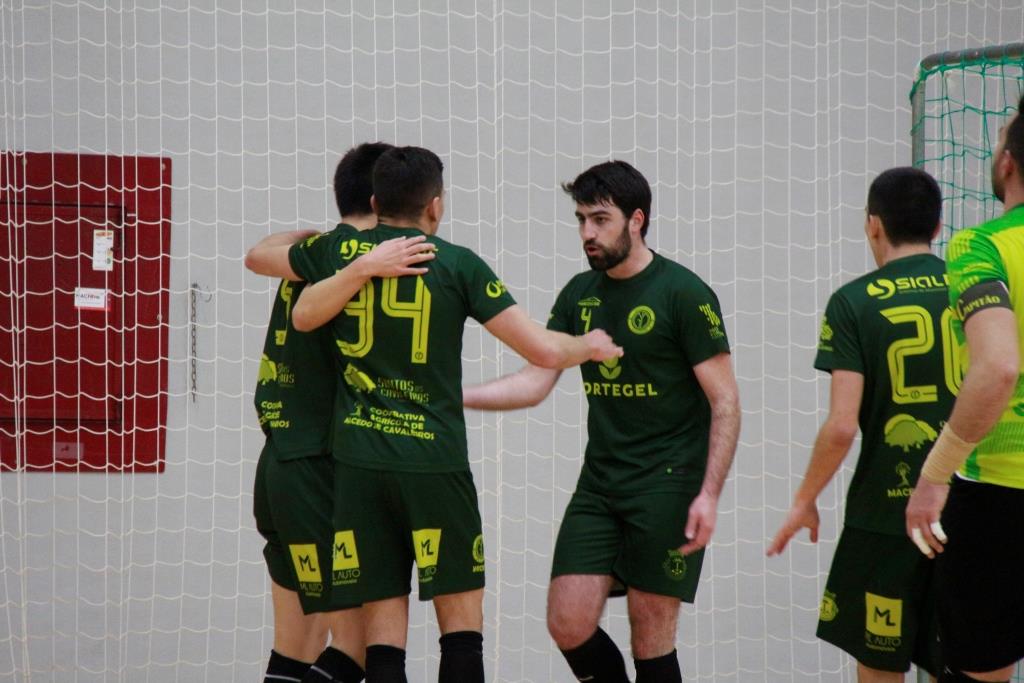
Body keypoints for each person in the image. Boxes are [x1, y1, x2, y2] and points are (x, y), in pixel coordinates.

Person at [282, 145, 623, 683]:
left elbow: (300, 313)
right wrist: (591, 345)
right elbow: (544, 351)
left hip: (360, 465)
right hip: (433, 464)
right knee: (460, 633)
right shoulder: (458, 264)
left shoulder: (338, 253)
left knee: (382, 647)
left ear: (374, 201)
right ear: (436, 207)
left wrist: (363, 266)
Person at [462, 160, 741, 683]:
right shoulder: (578, 295)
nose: (588, 233)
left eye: (600, 219)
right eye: (581, 220)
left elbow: (726, 403)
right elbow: (534, 381)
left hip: (668, 483)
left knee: (650, 631)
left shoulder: (684, 293)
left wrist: (708, 493)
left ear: (637, 220)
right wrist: (456, 398)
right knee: (567, 622)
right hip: (600, 485)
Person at [245, 141, 436, 683]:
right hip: (324, 469)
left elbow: (256, 253)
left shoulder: (315, 253)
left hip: (278, 467)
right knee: (355, 648)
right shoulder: (371, 259)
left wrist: (311, 233)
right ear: (383, 199)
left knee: (295, 645)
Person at [767, 167, 951, 682]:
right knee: (960, 664)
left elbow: (842, 426)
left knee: (879, 668)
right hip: (967, 505)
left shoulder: (853, 302)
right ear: (937, 228)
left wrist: (804, 499)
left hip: (885, 515)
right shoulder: (974, 289)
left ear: (873, 225)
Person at [906, 95, 1024, 683]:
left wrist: (935, 473)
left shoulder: (981, 245)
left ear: (1007, 162)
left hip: (997, 490)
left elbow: (999, 365)